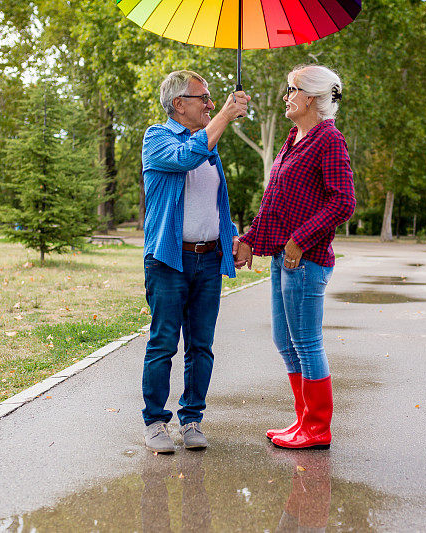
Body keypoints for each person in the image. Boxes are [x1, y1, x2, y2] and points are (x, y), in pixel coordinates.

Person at [236, 65, 355, 449]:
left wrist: (300, 241)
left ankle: (318, 429)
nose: (286, 95)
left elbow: (344, 202)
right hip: (282, 258)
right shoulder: (294, 139)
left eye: (292, 89)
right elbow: (274, 203)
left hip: (306, 260)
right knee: (284, 341)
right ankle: (304, 421)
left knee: (305, 342)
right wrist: (252, 239)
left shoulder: (328, 140)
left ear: (312, 98)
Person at [141, 70, 250, 453]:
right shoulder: (157, 138)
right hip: (170, 261)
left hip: (207, 261)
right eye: (202, 97)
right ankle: (155, 422)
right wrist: (223, 114)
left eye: (210, 98)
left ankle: (191, 420)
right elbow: (185, 158)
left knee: (201, 345)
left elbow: (215, 202)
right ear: (178, 105)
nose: (208, 103)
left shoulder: (211, 145)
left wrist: (233, 236)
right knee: (164, 343)